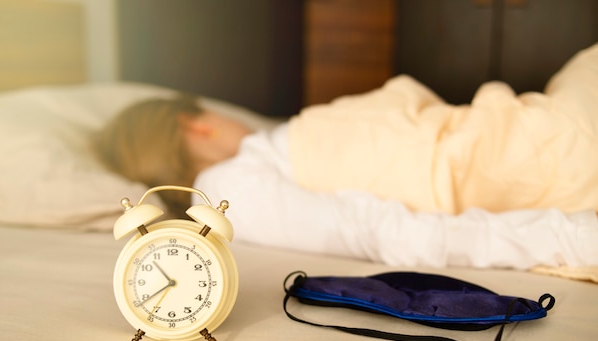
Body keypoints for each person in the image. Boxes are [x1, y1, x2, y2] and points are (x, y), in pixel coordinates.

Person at [96, 44, 598, 276]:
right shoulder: (231, 193)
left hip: (500, 134)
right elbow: (378, 231)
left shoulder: (261, 157)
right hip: (521, 156)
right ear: (197, 124)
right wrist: (569, 237)